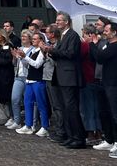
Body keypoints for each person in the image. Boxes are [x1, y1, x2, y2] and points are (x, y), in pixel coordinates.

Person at [42, 12, 86, 149]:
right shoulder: (63, 36)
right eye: (56, 20)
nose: (57, 22)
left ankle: (78, 137)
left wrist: (52, 50)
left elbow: (71, 54)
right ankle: (70, 135)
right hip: (62, 76)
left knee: (71, 107)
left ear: (66, 22)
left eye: (60, 20)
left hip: (69, 76)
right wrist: (49, 51)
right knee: (66, 108)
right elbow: (60, 56)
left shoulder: (72, 35)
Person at [90, 22, 117, 159]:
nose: (105, 32)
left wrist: (93, 44)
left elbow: (100, 58)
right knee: (115, 115)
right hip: (110, 84)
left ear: (114, 32)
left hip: (115, 85)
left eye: (107, 30)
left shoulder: (115, 46)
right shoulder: (111, 46)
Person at [16, 31, 50, 137]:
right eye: (33, 39)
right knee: (27, 103)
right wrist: (21, 57)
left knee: (41, 104)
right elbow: (28, 65)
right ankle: (28, 125)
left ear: (41, 40)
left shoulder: (41, 51)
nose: (33, 40)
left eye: (35, 39)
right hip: (29, 80)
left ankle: (45, 127)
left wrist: (24, 57)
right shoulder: (33, 50)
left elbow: (37, 64)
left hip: (38, 80)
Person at [79, 24, 102, 145]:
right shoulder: (97, 45)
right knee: (95, 106)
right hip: (95, 78)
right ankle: (98, 131)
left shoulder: (85, 45)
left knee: (87, 107)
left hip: (86, 78)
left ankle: (91, 133)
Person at [8, 30, 33, 129]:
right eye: (22, 36)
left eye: (25, 37)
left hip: (28, 77)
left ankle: (28, 122)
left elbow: (29, 64)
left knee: (28, 101)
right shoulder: (20, 48)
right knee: (14, 99)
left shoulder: (32, 50)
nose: (22, 38)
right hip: (18, 76)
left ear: (29, 38)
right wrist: (14, 57)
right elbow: (15, 64)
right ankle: (17, 121)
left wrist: (22, 57)